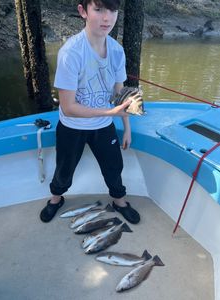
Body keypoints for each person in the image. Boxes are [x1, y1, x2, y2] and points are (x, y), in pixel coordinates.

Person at [40, 0, 140, 224]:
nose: (107, 18)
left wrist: (127, 128)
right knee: (64, 170)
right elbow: (69, 107)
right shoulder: (70, 53)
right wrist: (111, 112)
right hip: (72, 126)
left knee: (114, 166)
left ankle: (119, 201)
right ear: (83, 11)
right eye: (99, 9)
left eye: (112, 10)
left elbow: (120, 93)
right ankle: (56, 199)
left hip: (104, 126)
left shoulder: (117, 50)